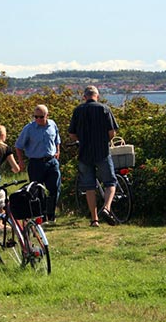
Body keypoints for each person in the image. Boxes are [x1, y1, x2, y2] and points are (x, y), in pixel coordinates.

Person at [68, 86, 119, 227]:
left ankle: (94, 219)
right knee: (110, 182)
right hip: (102, 151)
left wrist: (81, 141)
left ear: (84, 97)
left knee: (89, 187)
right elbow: (112, 132)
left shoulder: (78, 111)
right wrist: (104, 141)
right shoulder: (104, 109)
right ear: (97, 95)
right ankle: (107, 208)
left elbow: (72, 134)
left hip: (84, 153)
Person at [15, 104, 61, 224]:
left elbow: (57, 140)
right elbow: (19, 146)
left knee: (54, 188)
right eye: (36, 117)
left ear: (47, 116)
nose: (38, 119)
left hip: (51, 162)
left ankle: (51, 215)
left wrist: (57, 152)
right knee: (36, 191)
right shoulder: (29, 128)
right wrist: (21, 161)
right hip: (36, 163)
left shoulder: (53, 125)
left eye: (41, 117)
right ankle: (41, 215)